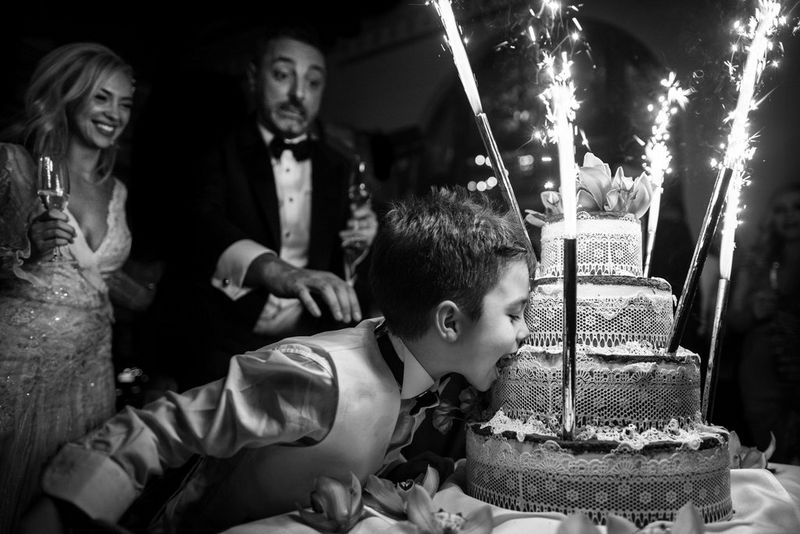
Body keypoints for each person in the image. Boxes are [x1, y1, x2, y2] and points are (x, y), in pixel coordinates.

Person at [18, 186, 533, 534]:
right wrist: (68, 509)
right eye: (514, 314)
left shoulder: (414, 371)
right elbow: (164, 429)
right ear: (448, 323)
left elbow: (362, 454)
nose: (525, 331)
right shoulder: (317, 376)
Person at [149, 24, 378, 390]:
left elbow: (345, 263)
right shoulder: (212, 147)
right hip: (218, 342)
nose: (298, 94)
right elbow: (201, 225)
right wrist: (278, 272)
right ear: (255, 77)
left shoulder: (340, 165)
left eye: (313, 82)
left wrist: (363, 243)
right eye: (283, 75)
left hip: (306, 347)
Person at [0, 42, 152, 533]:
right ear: (69, 96)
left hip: (89, 375)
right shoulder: (15, 167)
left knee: (69, 500)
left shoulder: (120, 191)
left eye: (125, 103)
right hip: (18, 368)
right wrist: (27, 250)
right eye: (102, 98)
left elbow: (97, 278)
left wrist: (151, 295)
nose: (115, 114)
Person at [727, 181, 800, 465]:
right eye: (781, 210)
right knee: (775, 448)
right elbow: (732, 319)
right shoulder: (757, 260)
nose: (789, 215)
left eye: (797, 207)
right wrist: (755, 311)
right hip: (763, 370)